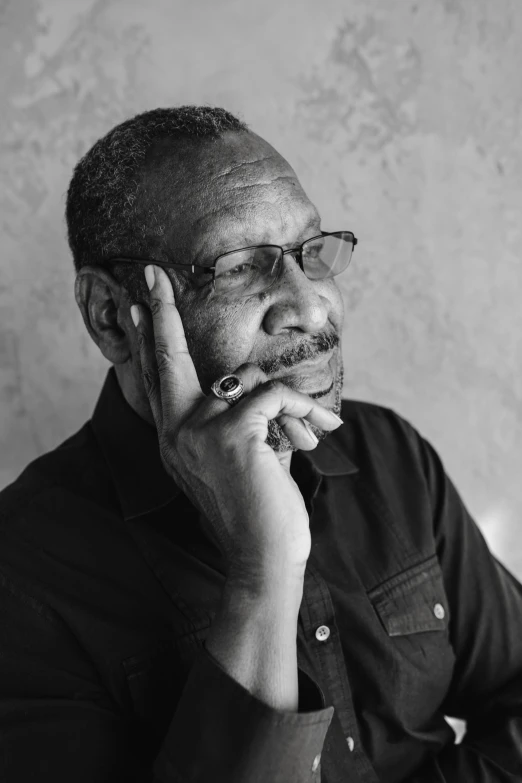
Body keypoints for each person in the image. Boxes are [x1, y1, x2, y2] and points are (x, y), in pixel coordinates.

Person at [0, 105, 520, 783]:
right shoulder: (22, 576)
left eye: (312, 252)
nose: (310, 306)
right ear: (112, 318)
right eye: (239, 268)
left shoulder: (390, 454)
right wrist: (264, 574)